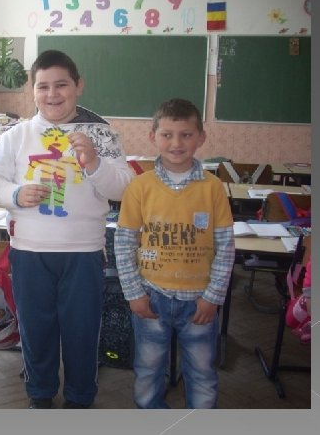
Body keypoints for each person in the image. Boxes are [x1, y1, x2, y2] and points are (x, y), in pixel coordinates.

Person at [0, 49, 132, 409]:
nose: (52, 94)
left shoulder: (101, 133)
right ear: (32, 91)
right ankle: (40, 393)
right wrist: (15, 194)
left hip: (83, 252)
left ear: (79, 85)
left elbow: (123, 188)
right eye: (43, 86)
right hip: (29, 252)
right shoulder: (15, 136)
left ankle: (80, 397)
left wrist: (94, 162)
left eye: (61, 84)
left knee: (82, 330)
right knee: (36, 329)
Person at [114, 98, 234, 409]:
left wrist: (213, 296)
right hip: (151, 297)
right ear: (153, 137)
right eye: (167, 135)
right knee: (148, 370)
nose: (176, 143)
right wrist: (134, 293)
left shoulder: (213, 188)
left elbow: (225, 246)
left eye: (186, 135)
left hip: (199, 300)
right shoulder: (139, 187)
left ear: (201, 138)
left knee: (202, 373)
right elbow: (124, 242)